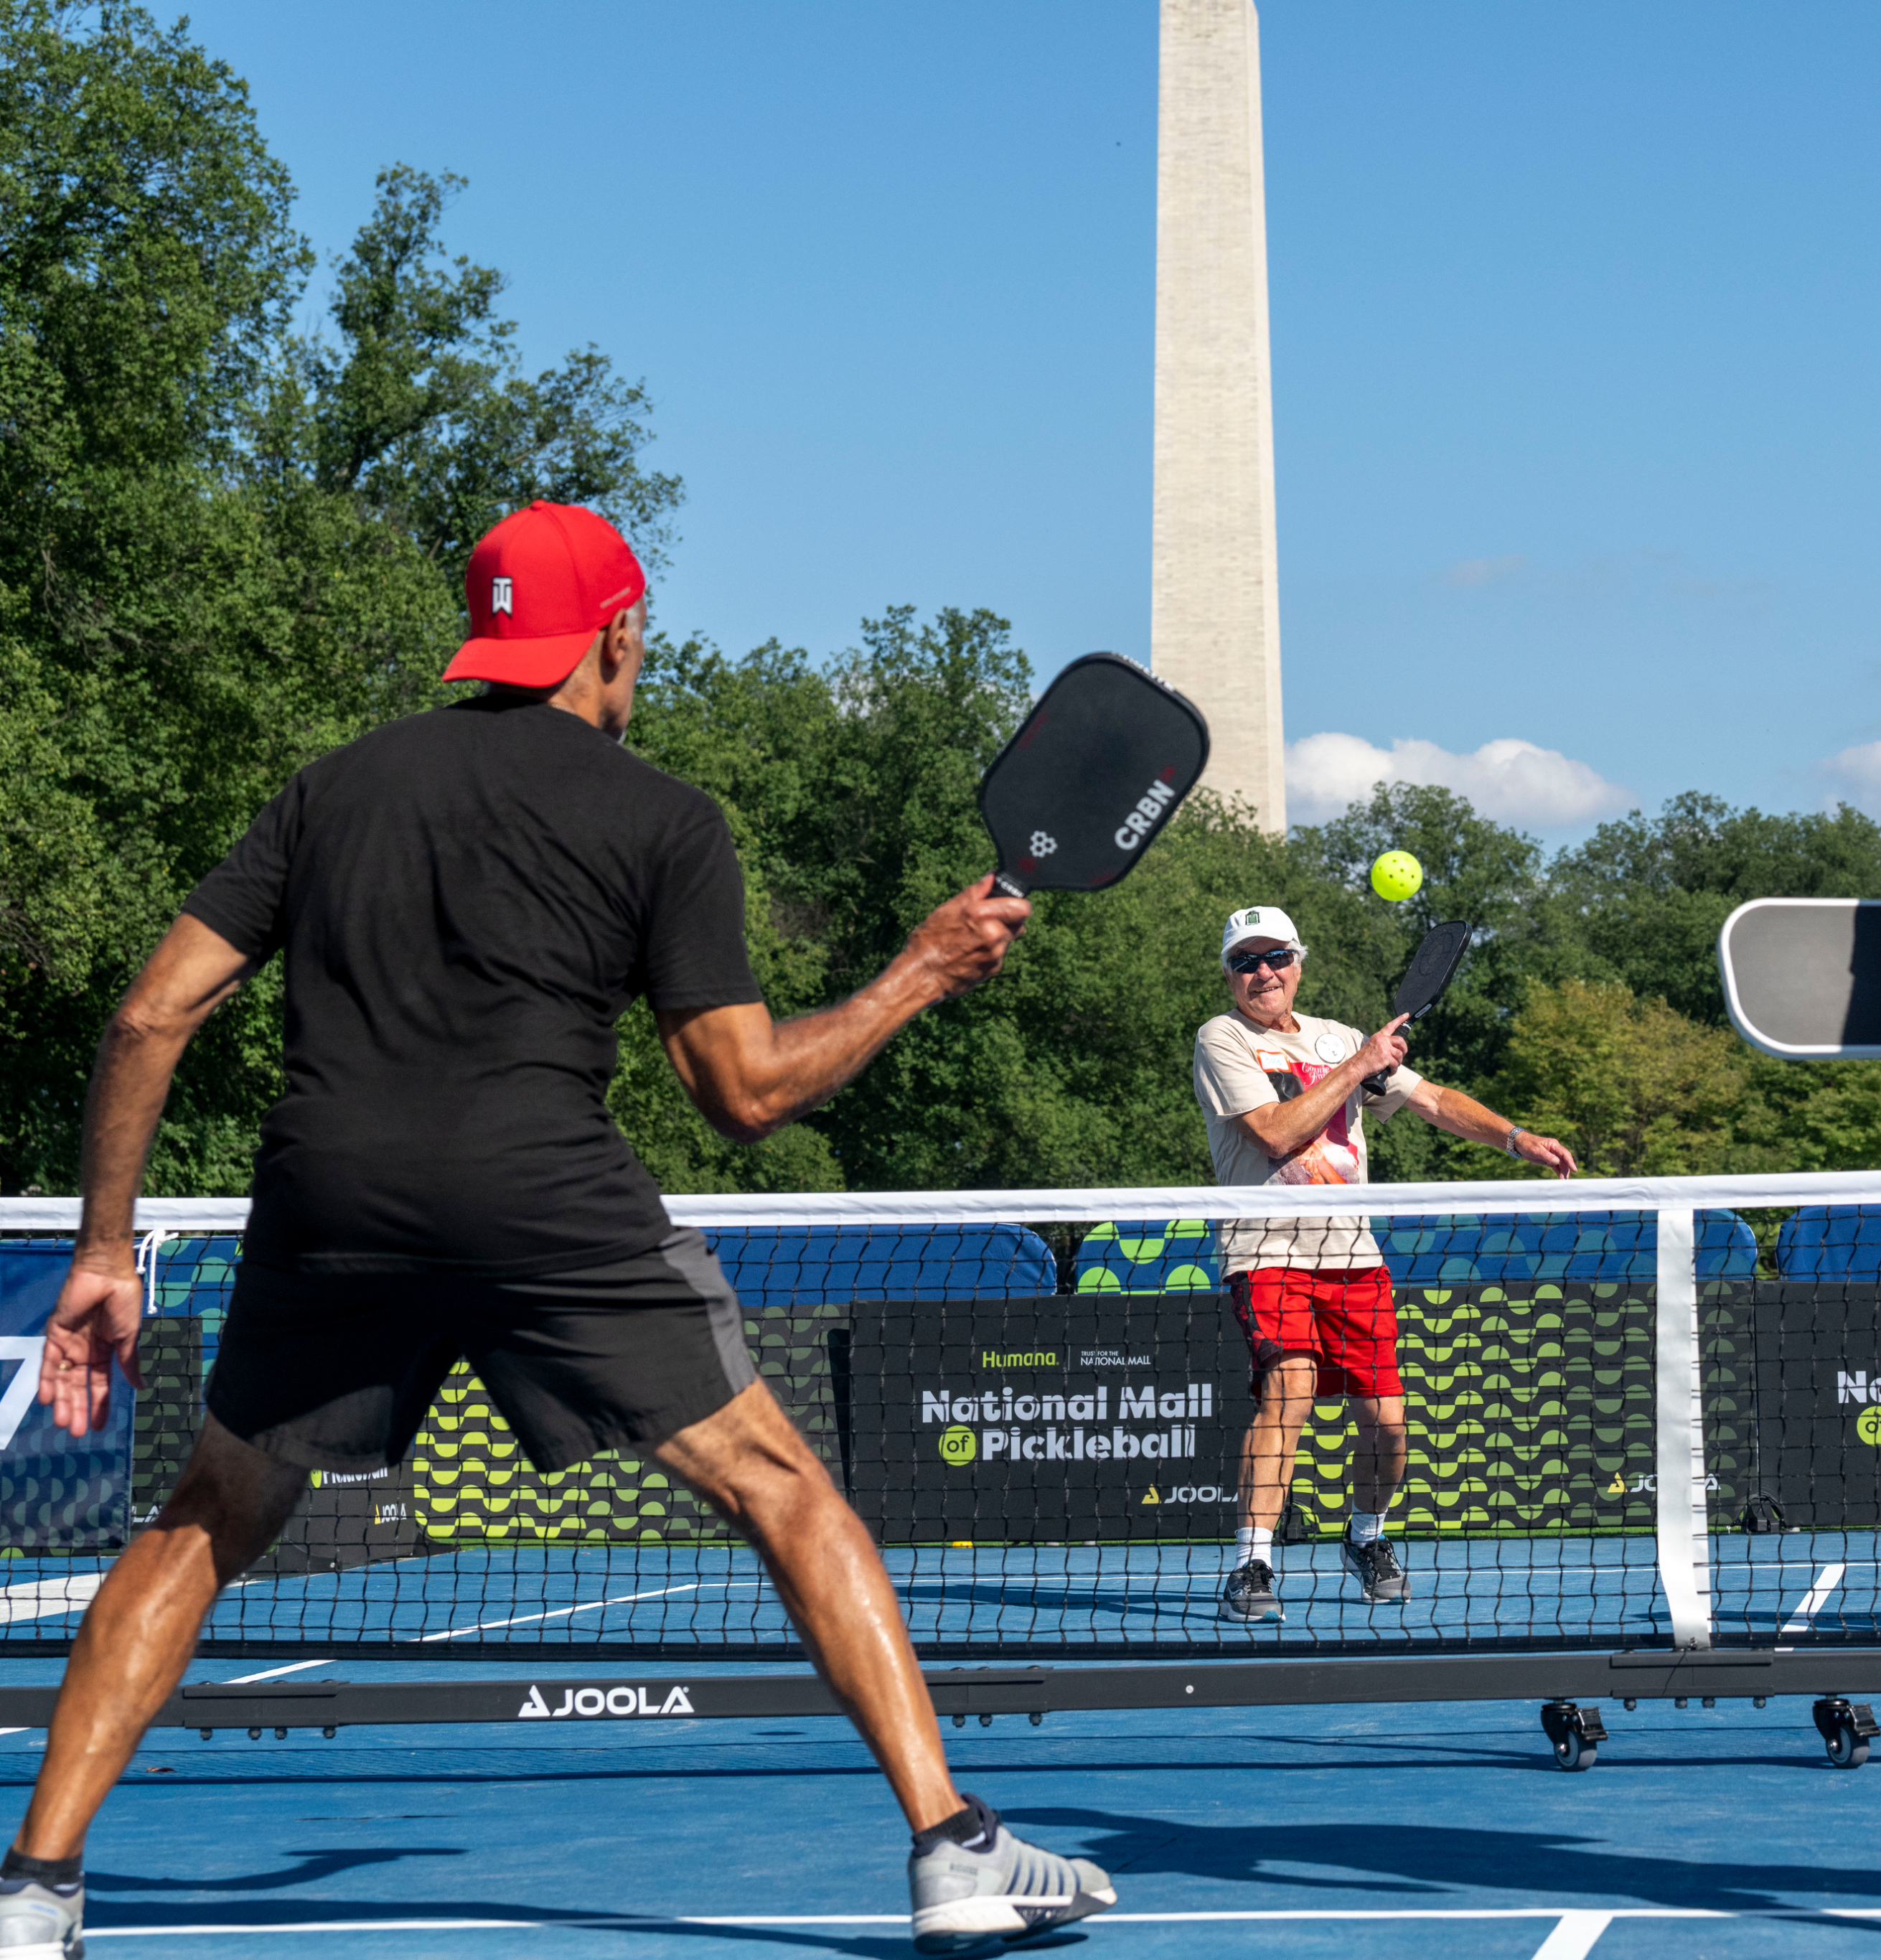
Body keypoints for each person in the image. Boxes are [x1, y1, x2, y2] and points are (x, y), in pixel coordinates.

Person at [2, 503, 1113, 1959]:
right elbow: (743, 1094)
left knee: (203, 1523)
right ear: (613, 635)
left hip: (329, 1203)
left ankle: (35, 1891)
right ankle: (951, 1848)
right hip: (544, 1202)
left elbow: (150, 1011)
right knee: (783, 1491)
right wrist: (917, 970)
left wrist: (102, 1249)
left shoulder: (331, 788)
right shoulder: (659, 817)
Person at [1193, 904, 1578, 1623]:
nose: (1263, 973)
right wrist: (1361, 1065)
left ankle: (1366, 1537)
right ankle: (1251, 1562)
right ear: (1230, 975)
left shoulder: (1337, 1037)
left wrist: (1516, 1137)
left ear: (1298, 962)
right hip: (1267, 1247)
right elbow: (1276, 1135)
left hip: (1351, 1255)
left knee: (1389, 1423)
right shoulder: (1222, 1038)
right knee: (1290, 1390)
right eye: (1246, 962)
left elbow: (1429, 1098)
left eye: (1275, 956)